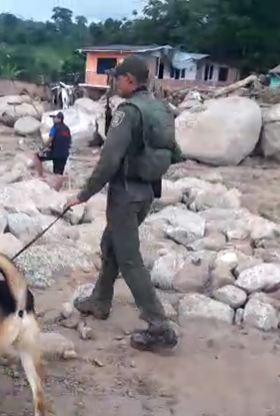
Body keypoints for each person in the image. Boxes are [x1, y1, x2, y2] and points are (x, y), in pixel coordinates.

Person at [63, 55, 183, 353]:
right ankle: (100, 300)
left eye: (117, 78)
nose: (114, 82)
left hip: (125, 195)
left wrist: (83, 195)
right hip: (146, 193)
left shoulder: (128, 112)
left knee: (129, 259)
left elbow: (108, 161)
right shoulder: (161, 108)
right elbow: (176, 152)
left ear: (130, 79)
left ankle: (158, 326)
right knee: (110, 245)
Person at [33, 111, 72, 191]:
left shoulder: (54, 128)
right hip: (64, 154)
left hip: (54, 152)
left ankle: (40, 176)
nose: (53, 120)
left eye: (55, 118)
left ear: (59, 119)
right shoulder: (67, 129)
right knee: (58, 174)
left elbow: (50, 139)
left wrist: (43, 148)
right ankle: (56, 191)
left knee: (36, 156)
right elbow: (69, 141)